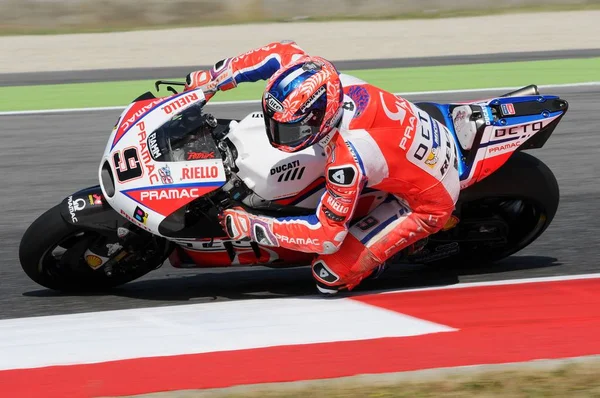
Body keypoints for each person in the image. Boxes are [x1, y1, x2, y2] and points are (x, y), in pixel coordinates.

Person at [184, 41, 460, 294]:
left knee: (329, 275)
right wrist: (212, 79)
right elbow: (279, 52)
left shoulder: (348, 159)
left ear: (322, 118)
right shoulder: (317, 76)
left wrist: (255, 225)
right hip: (410, 134)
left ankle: (402, 248)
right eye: (275, 123)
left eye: (290, 130)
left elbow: (326, 236)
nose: (276, 134)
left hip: (425, 201)